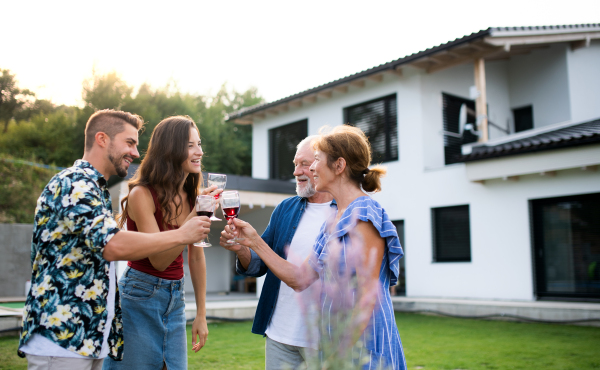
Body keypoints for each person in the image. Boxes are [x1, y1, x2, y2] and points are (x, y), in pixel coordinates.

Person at [18, 109, 212, 370]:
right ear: (102, 139)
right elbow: (113, 245)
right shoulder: (75, 184)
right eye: (130, 143)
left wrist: (201, 312)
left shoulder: (95, 188)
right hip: (62, 334)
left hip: (87, 332)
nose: (135, 153)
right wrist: (184, 231)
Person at [221, 125, 406, 370]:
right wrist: (253, 241)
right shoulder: (335, 220)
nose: (312, 169)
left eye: (316, 160)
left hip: (361, 352)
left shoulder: (363, 214)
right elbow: (300, 278)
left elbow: (367, 300)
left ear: (339, 166)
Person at [102, 116, 219, 370]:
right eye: (190, 145)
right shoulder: (141, 194)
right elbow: (159, 259)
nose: (199, 152)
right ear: (170, 149)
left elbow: (196, 255)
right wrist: (193, 216)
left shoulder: (190, 195)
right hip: (139, 297)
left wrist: (201, 314)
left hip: (175, 298)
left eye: (199, 144)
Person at [220, 136, 334, 370]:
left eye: (303, 164)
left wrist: (254, 243)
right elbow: (258, 264)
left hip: (324, 337)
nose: (296, 171)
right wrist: (241, 247)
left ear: (321, 165)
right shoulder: (285, 208)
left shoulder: (344, 212)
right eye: (294, 164)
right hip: (279, 335)